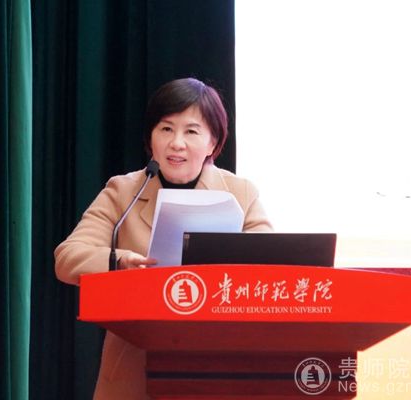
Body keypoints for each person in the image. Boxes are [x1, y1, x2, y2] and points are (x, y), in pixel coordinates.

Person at [54, 77, 273, 399]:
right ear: (151, 138)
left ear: (213, 143)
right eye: (166, 129)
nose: (176, 143)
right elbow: (68, 257)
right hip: (134, 369)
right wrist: (120, 261)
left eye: (191, 132)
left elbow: (271, 265)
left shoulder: (240, 193)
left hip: (219, 365)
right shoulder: (123, 191)